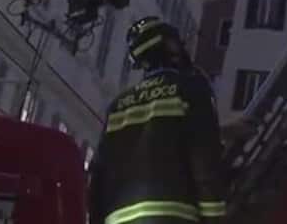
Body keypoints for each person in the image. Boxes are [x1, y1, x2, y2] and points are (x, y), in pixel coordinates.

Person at [89, 16, 228, 223]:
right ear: (169, 46)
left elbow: (98, 176)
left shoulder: (119, 105)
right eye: (177, 42)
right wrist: (215, 218)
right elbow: (205, 161)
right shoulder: (190, 90)